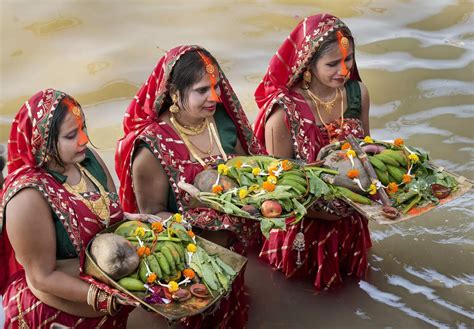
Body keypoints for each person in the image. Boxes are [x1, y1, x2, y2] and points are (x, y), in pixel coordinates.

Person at [115, 45, 265, 328]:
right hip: (191, 267)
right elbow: (151, 217)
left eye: (216, 87)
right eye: (201, 90)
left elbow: (248, 172)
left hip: (233, 255)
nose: (214, 98)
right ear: (174, 93)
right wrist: (204, 219)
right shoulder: (153, 148)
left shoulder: (221, 123)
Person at [253, 13, 372, 290]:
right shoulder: (284, 113)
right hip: (304, 230)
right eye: (332, 63)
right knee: (297, 293)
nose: (343, 70)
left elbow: (365, 150)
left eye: (349, 59)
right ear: (308, 64)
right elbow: (281, 186)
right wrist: (326, 211)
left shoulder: (357, 93)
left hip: (352, 218)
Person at [0, 89, 135, 328]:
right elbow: (42, 277)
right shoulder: (28, 196)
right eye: (72, 135)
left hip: (115, 299)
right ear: (42, 142)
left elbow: (112, 222)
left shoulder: (87, 161)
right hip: (57, 316)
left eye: (84, 129)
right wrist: (104, 299)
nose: (83, 140)